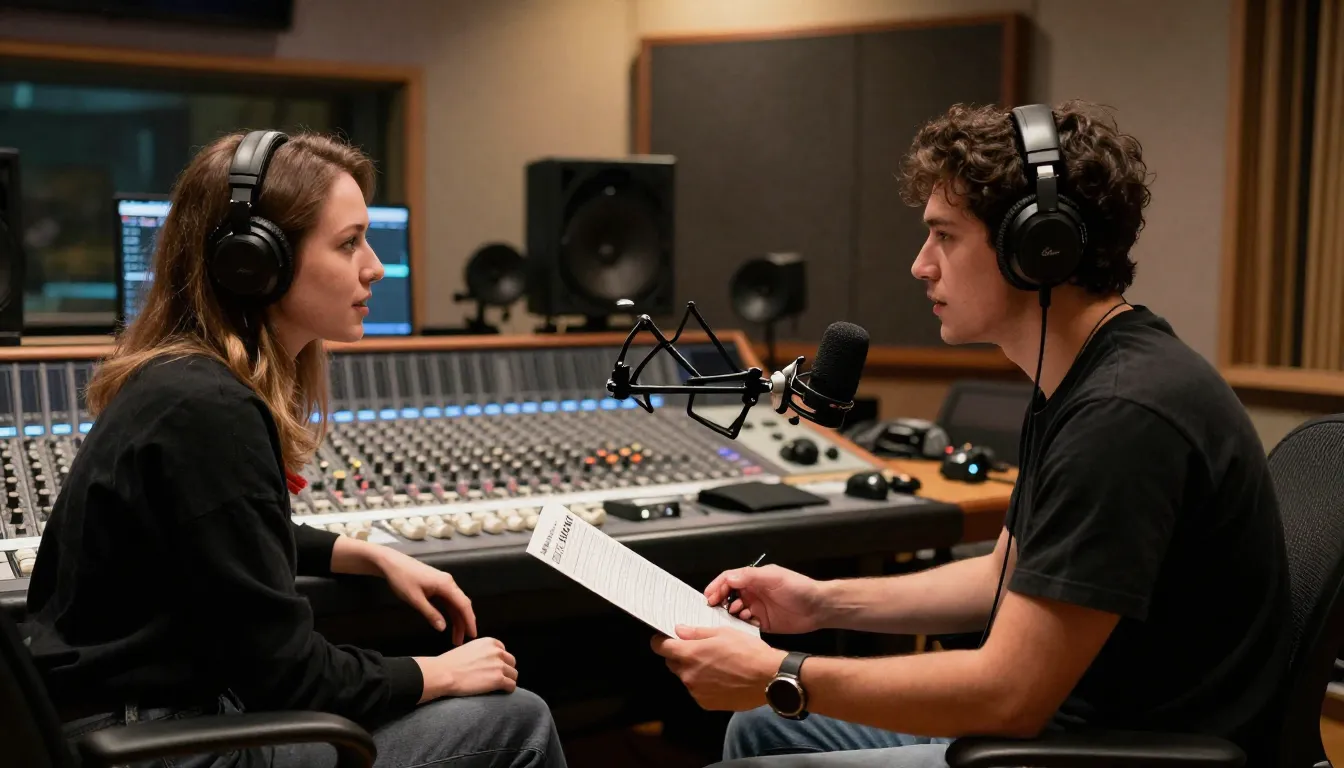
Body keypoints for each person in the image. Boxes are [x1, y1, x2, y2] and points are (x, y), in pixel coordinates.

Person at [651, 101, 1291, 767]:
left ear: (1037, 249)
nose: (920, 265)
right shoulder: (1077, 379)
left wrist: (781, 672)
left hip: (1103, 752)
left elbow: (1008, 695)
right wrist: (819, 603)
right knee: (763, 731)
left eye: (945, 236)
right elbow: (1000, 576)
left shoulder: (1122, 414)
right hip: (1064, 726)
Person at [21, 130, 566, 768]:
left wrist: (364, 555)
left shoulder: (180, 382)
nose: (374, 267)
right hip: (160, 744)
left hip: (127, 724)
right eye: (349, 243)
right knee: (518, 718)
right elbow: (291, 676)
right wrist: (440, 672)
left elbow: (222, 533)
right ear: (255, 263)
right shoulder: (211, 410)